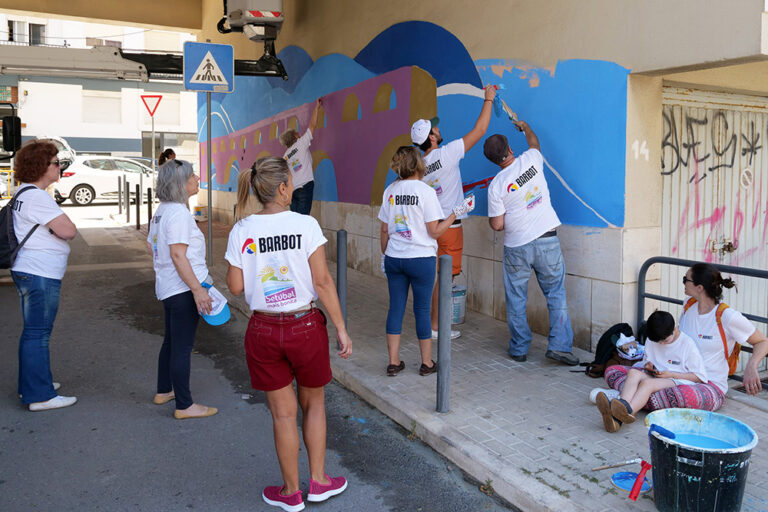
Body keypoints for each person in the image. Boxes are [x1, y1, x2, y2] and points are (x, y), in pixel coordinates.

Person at [226, 157, 352, 511]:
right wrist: (341, 328)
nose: (293, 187)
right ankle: (320, 481)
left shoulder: (241, 229)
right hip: (306, 327)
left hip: (263, 329)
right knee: (314, 405)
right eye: (291, 182)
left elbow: (235, 286)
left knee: (282, 415)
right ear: (282, 188)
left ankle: (291, 492)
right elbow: (322, 282)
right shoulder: (305, 225)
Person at [604, 263, 768, 411]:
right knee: (613, 371)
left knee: (676, 394)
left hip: (707, 384)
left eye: (685, 280)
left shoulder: (727, 316)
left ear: (699, 287)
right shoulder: (688, 305)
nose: (683, 283)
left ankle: (627, 399)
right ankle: (634, 400)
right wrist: (655, 366)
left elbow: (762, 341)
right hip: (673, 374)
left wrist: (752, 365)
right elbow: (677, 343)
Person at [483, 124, 578, 366]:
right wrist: (525, 127)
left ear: (493, 160)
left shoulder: (496, 185)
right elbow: (534, 143)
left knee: (516, 298)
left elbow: (497, 225)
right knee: (555, 294)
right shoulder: (531, 159)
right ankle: (559, 347)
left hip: (517, 246)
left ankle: (519, 348)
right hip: (547, 239)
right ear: (510, 149)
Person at [378, 146, 474, 377]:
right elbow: (435, 231)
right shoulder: (426, 192)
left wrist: (385, 255)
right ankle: (427, 363)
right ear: (418, 165)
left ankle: (393, 362)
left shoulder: (390, 190)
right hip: (421, 260)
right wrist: (456, 213)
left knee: (395, 308)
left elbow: (384, 229)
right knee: (421, 310)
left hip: (394, 258)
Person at [410, 85, 496, 340]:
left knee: (434, 278)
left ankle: (431, 324)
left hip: (429, 228)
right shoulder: (448, 154)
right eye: (434, 129)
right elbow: (480, 130)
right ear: (432, 138)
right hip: (450, 227)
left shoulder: (418, 167)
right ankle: (436, 327)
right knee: (445, 278)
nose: (438, 129)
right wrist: (488, 100)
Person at [11, 140, 78, 411]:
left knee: (33, 332)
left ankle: (31, 385)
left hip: (29, 270)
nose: (59, 167)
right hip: (39, 273)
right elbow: (69, 230)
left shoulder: (23, 192)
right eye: (56, 163)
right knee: (38, 334)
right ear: (41, 166)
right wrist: (58, 228)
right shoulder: (37, 197)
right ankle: (40, 396)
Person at [147, 159, 217, 420]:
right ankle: (185, 405)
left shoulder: (163, 210)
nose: (197, 178)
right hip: (182, 289)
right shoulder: (178, 213)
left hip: (169, 286)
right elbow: (178, 254)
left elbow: (152, 245)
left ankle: (164, 390)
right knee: (182, 347)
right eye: (192, 176)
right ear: (180, 183)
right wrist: (197, 289)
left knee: (171, 341)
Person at [596, 311, 707, 432]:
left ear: (675, 329)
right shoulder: (652, 339)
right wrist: (648, 366)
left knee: (647, 384)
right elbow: (647, 360)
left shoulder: (687, 344)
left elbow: (699, 376)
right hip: (657, 376)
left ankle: (622, 415)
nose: (661, 344)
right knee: (633, 373)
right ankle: (622, 405)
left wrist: (671, 374)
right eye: (658, 342)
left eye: (665, 341)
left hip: (677, 379)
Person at [280, 98, 322, 215]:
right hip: (305, 186)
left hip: (293, 190)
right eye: (297, 132)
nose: (299, 133)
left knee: (295, 219)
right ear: (295, 136)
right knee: (303, 219)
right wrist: (316, 108)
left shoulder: (286, 156)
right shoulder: (301, 143)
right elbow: (312, 125)